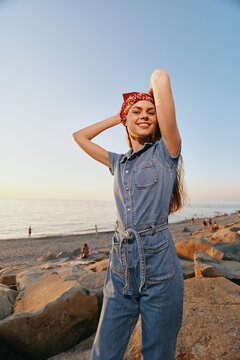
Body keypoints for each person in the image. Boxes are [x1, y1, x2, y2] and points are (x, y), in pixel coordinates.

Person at [73, 69, 186, 359]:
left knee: (157, 354)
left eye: (151, 111)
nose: (145, 114)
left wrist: (145, 98)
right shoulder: (117, 162)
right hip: (120, 265)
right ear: (127, 121)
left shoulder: (166, 152)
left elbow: (160, 77)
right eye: (137, 111)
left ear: (159, 118)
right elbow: (80, 136)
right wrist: (119, 115)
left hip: (159, 266)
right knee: (104, 354)